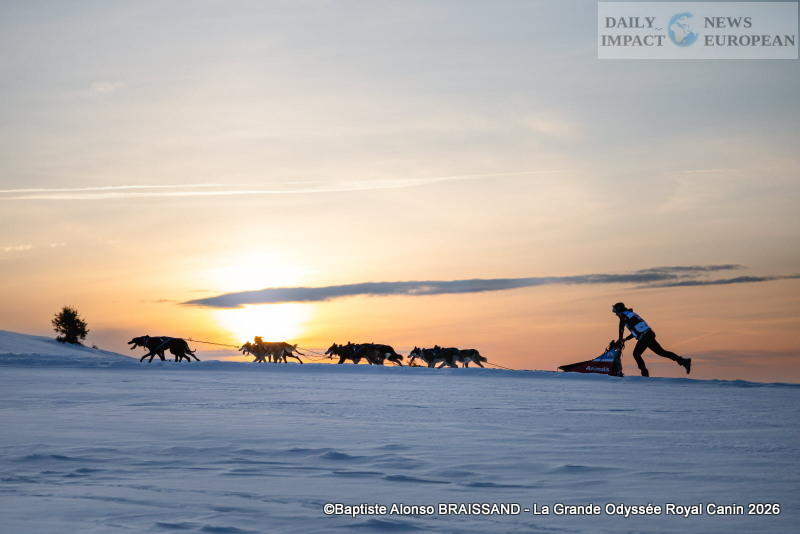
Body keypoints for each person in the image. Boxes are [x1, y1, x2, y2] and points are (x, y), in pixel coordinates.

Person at [612, 302, 691, 377]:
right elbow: (637, 330)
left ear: (619, 310)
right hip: (647, 334)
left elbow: (621, 328)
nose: (616, 314)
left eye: (615, 312)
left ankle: (645, 374)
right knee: (660, 352)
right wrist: (625, 339)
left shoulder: (623, 315)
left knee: (637, 354)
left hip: (645, 336)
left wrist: (620, 339)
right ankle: (683, 361)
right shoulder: (630, 314)